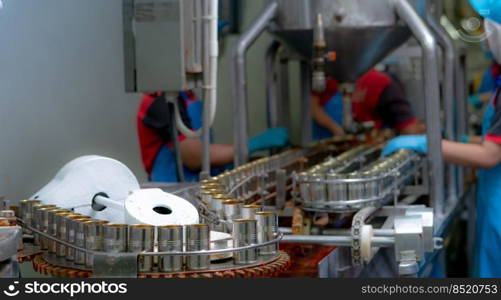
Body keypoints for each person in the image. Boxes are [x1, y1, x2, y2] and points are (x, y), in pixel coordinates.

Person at [382, 0, 501, 277]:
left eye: (488, 29)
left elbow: (490, 155)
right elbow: (494, 143)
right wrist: (459, 141)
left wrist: (427, 144)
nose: (483, 37)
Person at [137, 91, 289, 182]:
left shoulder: (187, 95)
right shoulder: (160, 100)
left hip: (195, 188)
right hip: (170, 196)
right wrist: (251, 145)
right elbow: (195, 157)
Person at [311, 69, 425, 140]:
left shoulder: (385, 87)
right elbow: (312, 107)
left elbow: (409, 129)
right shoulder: (331, 81)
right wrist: (337, 130)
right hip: (326, 139)